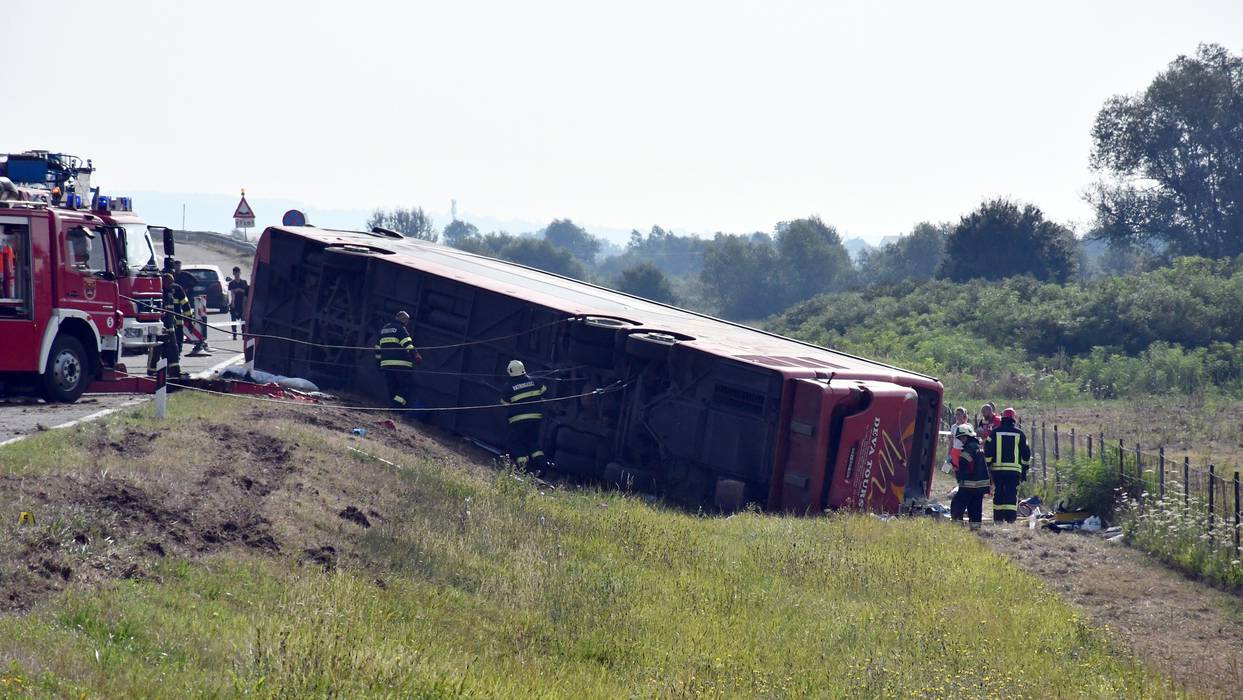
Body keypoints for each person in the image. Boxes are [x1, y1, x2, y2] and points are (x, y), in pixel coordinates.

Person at [500, 359, 549, 472]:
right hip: (536, 419)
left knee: (515, 443)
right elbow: (544, 390)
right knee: (533, 443)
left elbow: (504, 403)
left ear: (510, 372)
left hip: (518, 421)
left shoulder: (508, 386)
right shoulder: (534, 380)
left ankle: (524, 469)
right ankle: (542, 466)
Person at [984, 407, 1031, 524]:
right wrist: (1024, 470)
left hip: (997, 470)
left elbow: (988, 451)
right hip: (1014, 471)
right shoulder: (1020, 434)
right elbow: (1026, 454)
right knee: (1011, 493)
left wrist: (988, 466)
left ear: (1003, 418)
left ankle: (998, 518)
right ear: (1013, 419)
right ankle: (1010, 519)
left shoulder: (994, 433)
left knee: (998, 492)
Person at [373, 310, 420, 410]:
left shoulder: (384, 329)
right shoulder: (400, 328)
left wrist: (378, 364)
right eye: (407, 321)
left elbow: (377, 348)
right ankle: (396, 408)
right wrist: (415, 354)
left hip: (386, 365)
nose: (407, 323)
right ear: (403, 319)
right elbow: (407, 343)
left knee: (392, 387)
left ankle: (393, 408)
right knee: (406, 386)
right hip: (401, 364)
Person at [950, 426, 990, 530]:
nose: (961, 440)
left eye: (962, 437)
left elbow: (964, 464)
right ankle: (975, 527)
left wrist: (959, 475)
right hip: (980, 484)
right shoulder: (977, 446)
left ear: (968, 435)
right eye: (959, 438)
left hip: (969, 483)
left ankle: (956, 526)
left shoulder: (969, 448)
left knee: (958, 503)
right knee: (975, 507)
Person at [159, 273, 189, 375]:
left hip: (177, 324)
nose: (171, 285)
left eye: (172, 282)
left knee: (177, 346)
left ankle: (173, 367)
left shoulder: (177, 289)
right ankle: (167, 367)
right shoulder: (160, 290)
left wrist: (189, 320)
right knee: (163, 348)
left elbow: (185, 305)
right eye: (169, 283)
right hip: (163, 326)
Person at [945, 406, 970, 472]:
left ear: (963, 415)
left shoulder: (968, 427)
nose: (957, 416)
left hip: (964, 451)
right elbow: (951, 442)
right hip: (955, 451)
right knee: (956, 471)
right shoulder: (954, 427)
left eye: (959, 414)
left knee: (964, 470)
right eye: (956, 414)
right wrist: (949, 454)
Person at [227, 266, 249, 340]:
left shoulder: (244, 282)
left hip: (242, 304)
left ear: (240, 273)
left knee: (243, 320)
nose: (237, 274)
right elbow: (231, 293)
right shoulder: (231, 283)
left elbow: (247, 293)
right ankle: (234, 334)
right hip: (235, 304)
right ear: (233, 273)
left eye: (238, 272)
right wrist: (231, 303)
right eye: (235, 272)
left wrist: (240, 290)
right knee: (233, 320)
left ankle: (243, 334)